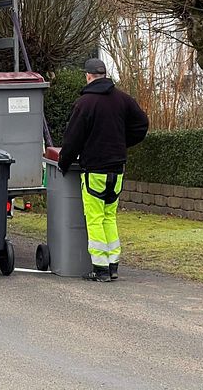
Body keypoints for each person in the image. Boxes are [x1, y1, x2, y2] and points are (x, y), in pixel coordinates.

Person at [58, 58, 148, 282]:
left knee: (95, 217)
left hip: (94, 169)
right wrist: (121, 143)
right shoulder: (123, 99)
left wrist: (64, 162)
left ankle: (100, 269)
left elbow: (72, 139)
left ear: (88, 76)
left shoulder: (85, 103)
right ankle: (113, 264)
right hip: (117, 168)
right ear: (105, 75)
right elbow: (142, 124)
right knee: (110, 216)